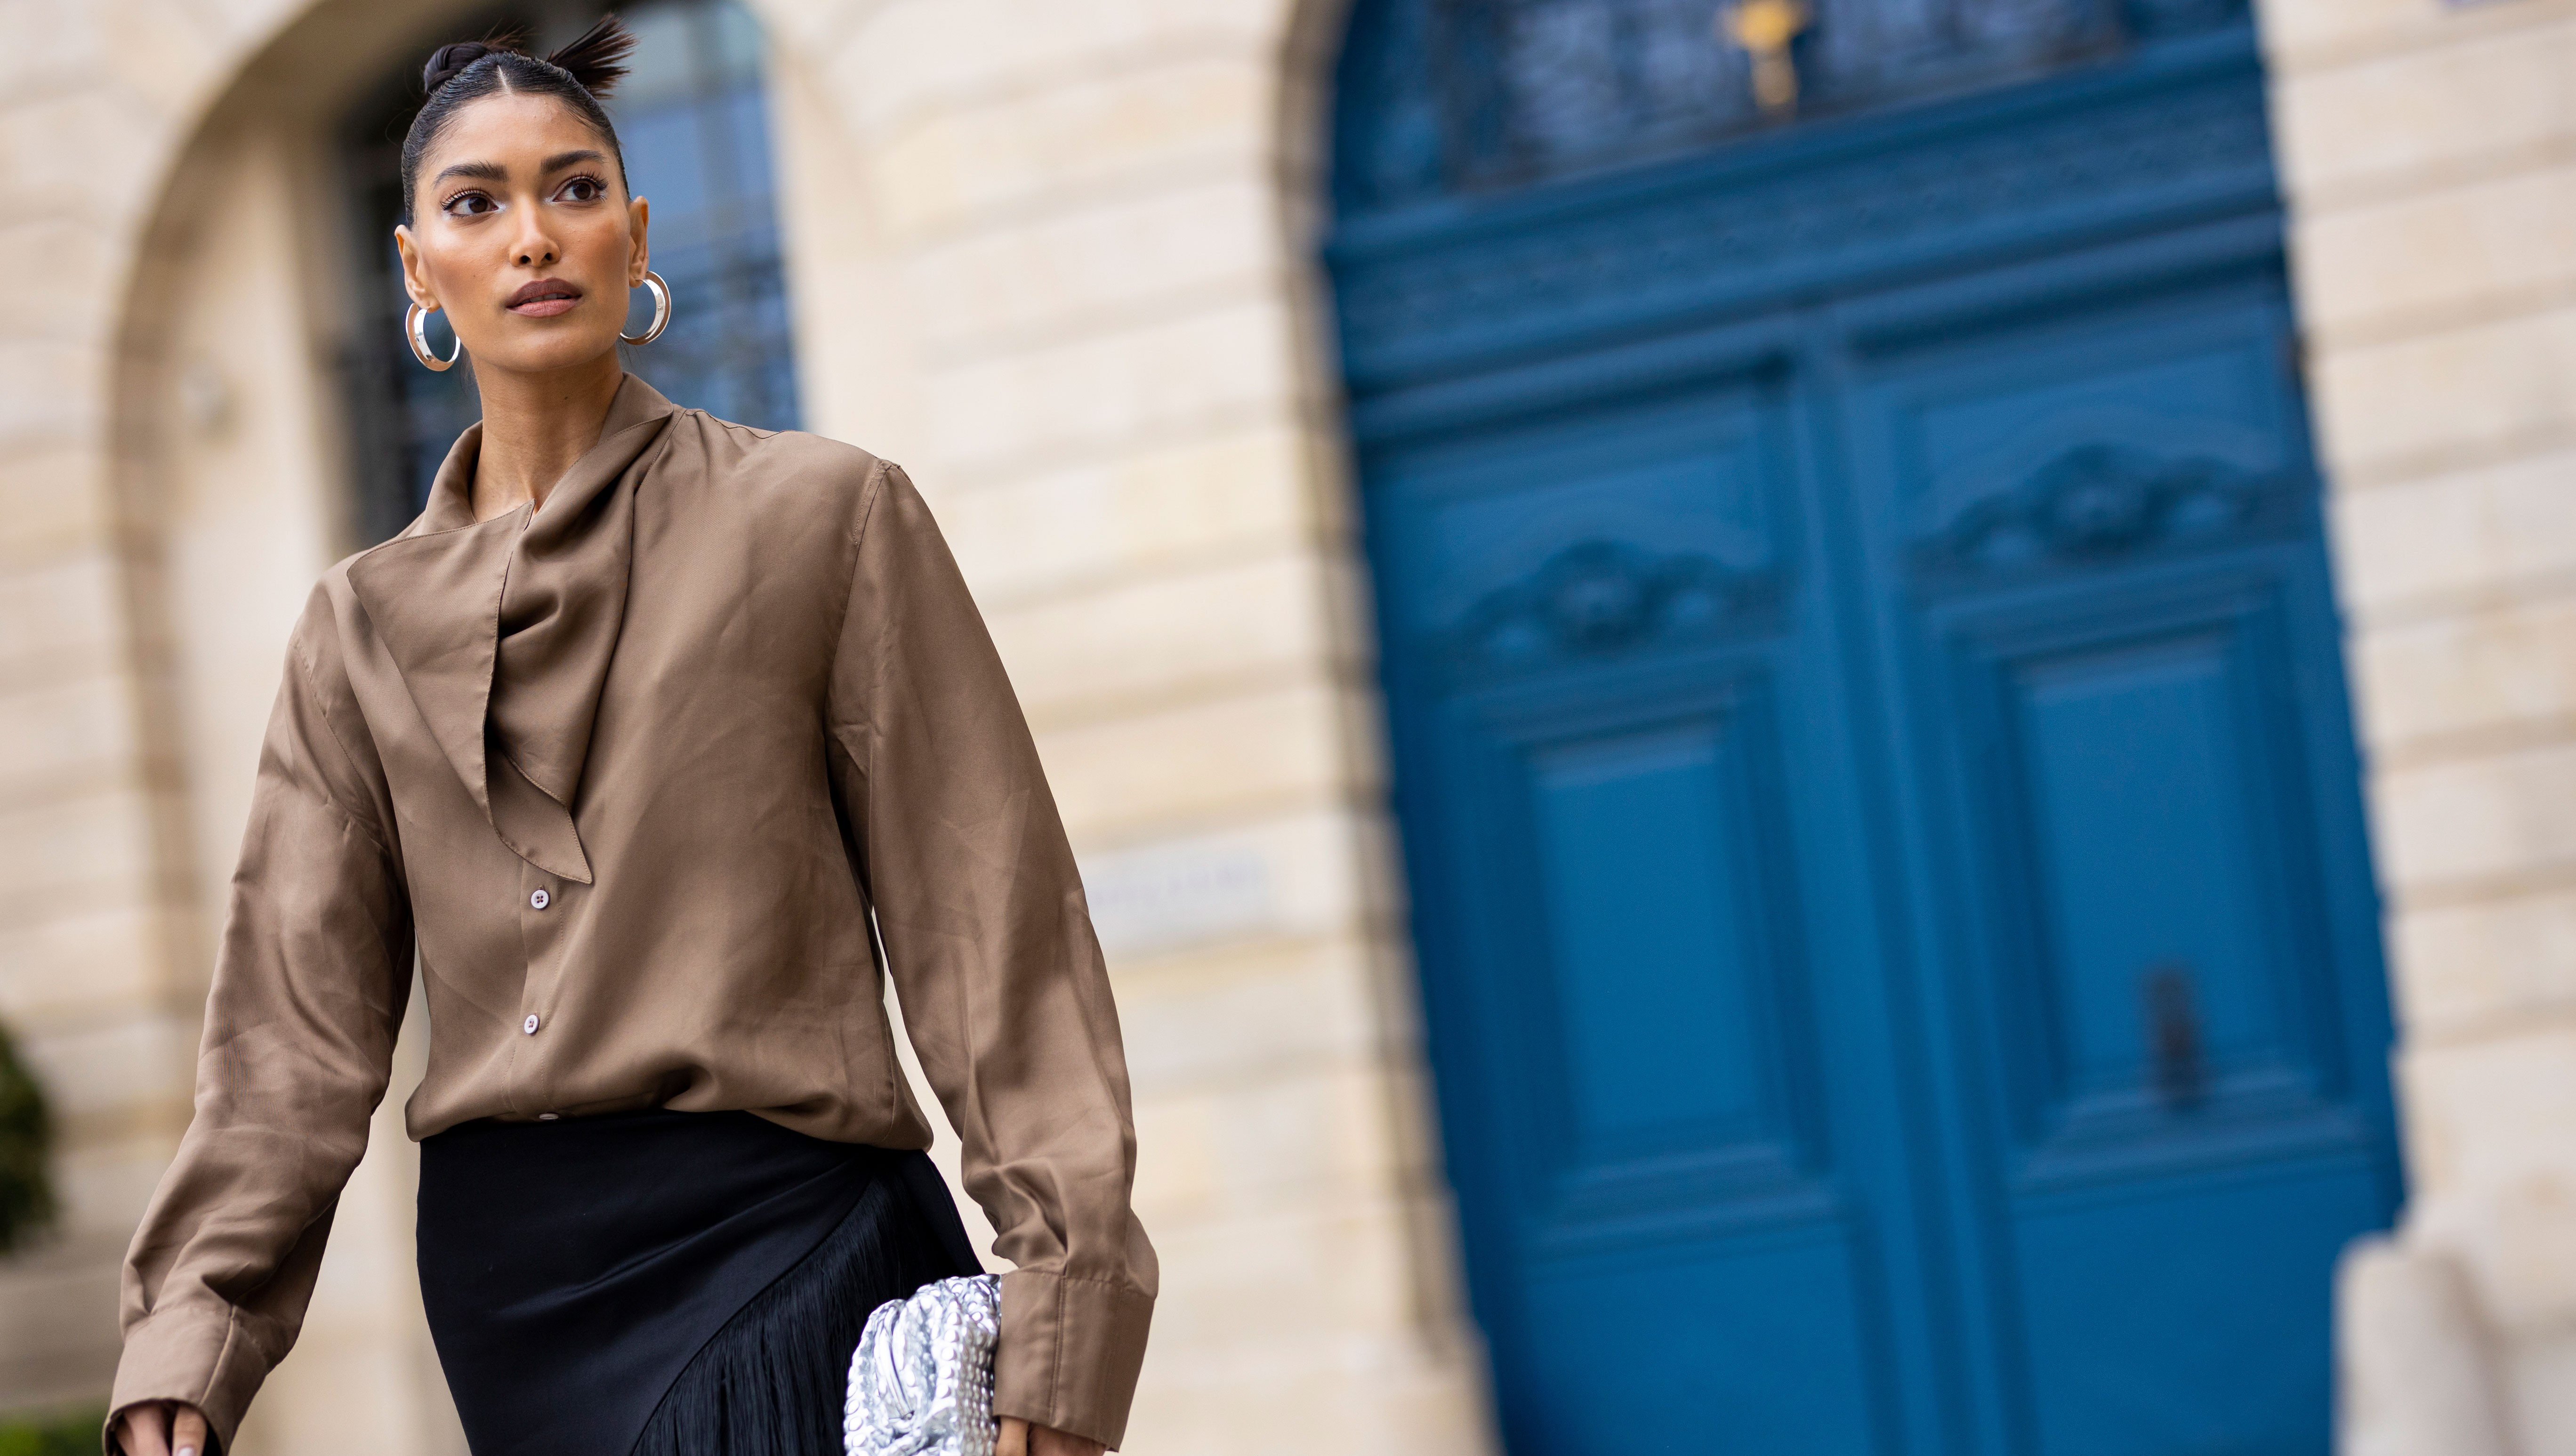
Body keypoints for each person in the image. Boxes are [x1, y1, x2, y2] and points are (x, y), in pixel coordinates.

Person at [105, 18, 1154, 1456]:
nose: (534, 234)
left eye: (575, 188)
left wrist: (1067, 1292)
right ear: (417, 269)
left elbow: (993, 931)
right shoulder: (353, 629)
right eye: (478, 203)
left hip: (791, 1243)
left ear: (633, 229)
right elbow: (291, 1035)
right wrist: (191, 1334)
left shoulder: (824, 518)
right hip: (516, 1302)